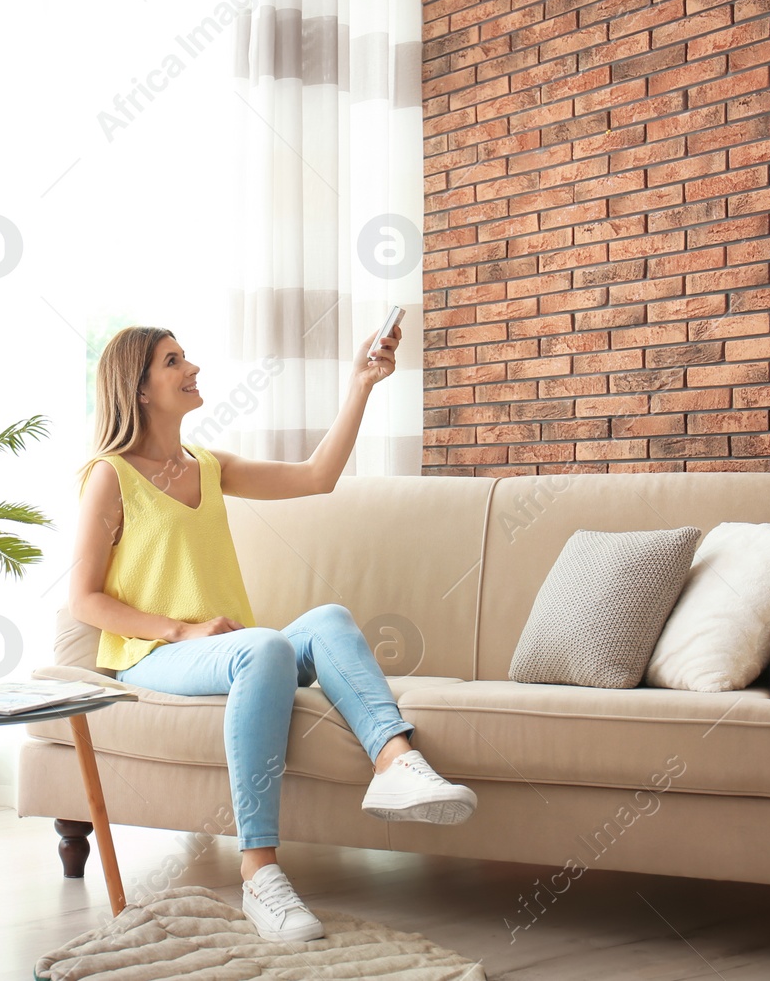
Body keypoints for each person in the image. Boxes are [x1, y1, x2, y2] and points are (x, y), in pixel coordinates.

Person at [69, 323, 478, 943]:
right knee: (266, 643)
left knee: (329, 620)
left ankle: (396, 762)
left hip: (229, 650)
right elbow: (84, 598)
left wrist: (361, 386)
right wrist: (180, 630)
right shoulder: (110, 475)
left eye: (186, 356)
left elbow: (317, 477)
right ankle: (259, 872)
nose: (192, 368)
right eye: (173, 361)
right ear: (141, 388)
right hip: (151, 655)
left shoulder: (207, 466)